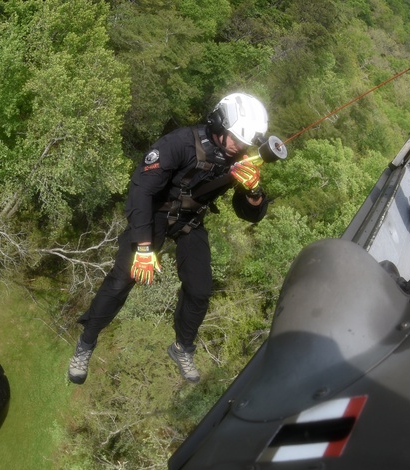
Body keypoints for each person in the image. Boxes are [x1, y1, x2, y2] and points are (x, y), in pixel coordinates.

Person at [68, 93, 271, 384]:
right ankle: (86, 342)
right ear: (218, 124)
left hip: (191, 219)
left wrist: (253, 192)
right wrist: (143, 247)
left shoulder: (238, 159)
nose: (239, 147)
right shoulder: (179, 143)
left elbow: (249, 214)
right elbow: (141, 190)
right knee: (123, 278)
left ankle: (182, 348)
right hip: (155, 215)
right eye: (235, 139)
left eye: (245, 143)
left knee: (200, 290)